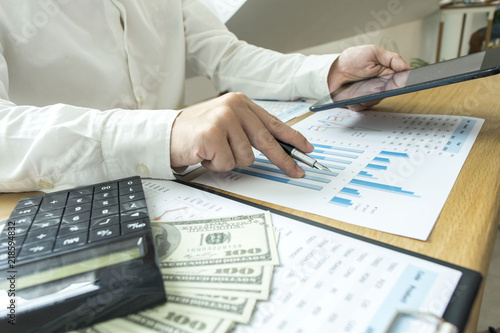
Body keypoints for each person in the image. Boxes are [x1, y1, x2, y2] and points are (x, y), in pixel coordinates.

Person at [0, 0, 410, 193]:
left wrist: (329, 71)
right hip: (55, 203)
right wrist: (167, 131)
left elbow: (227, 56)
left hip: (189, 185)